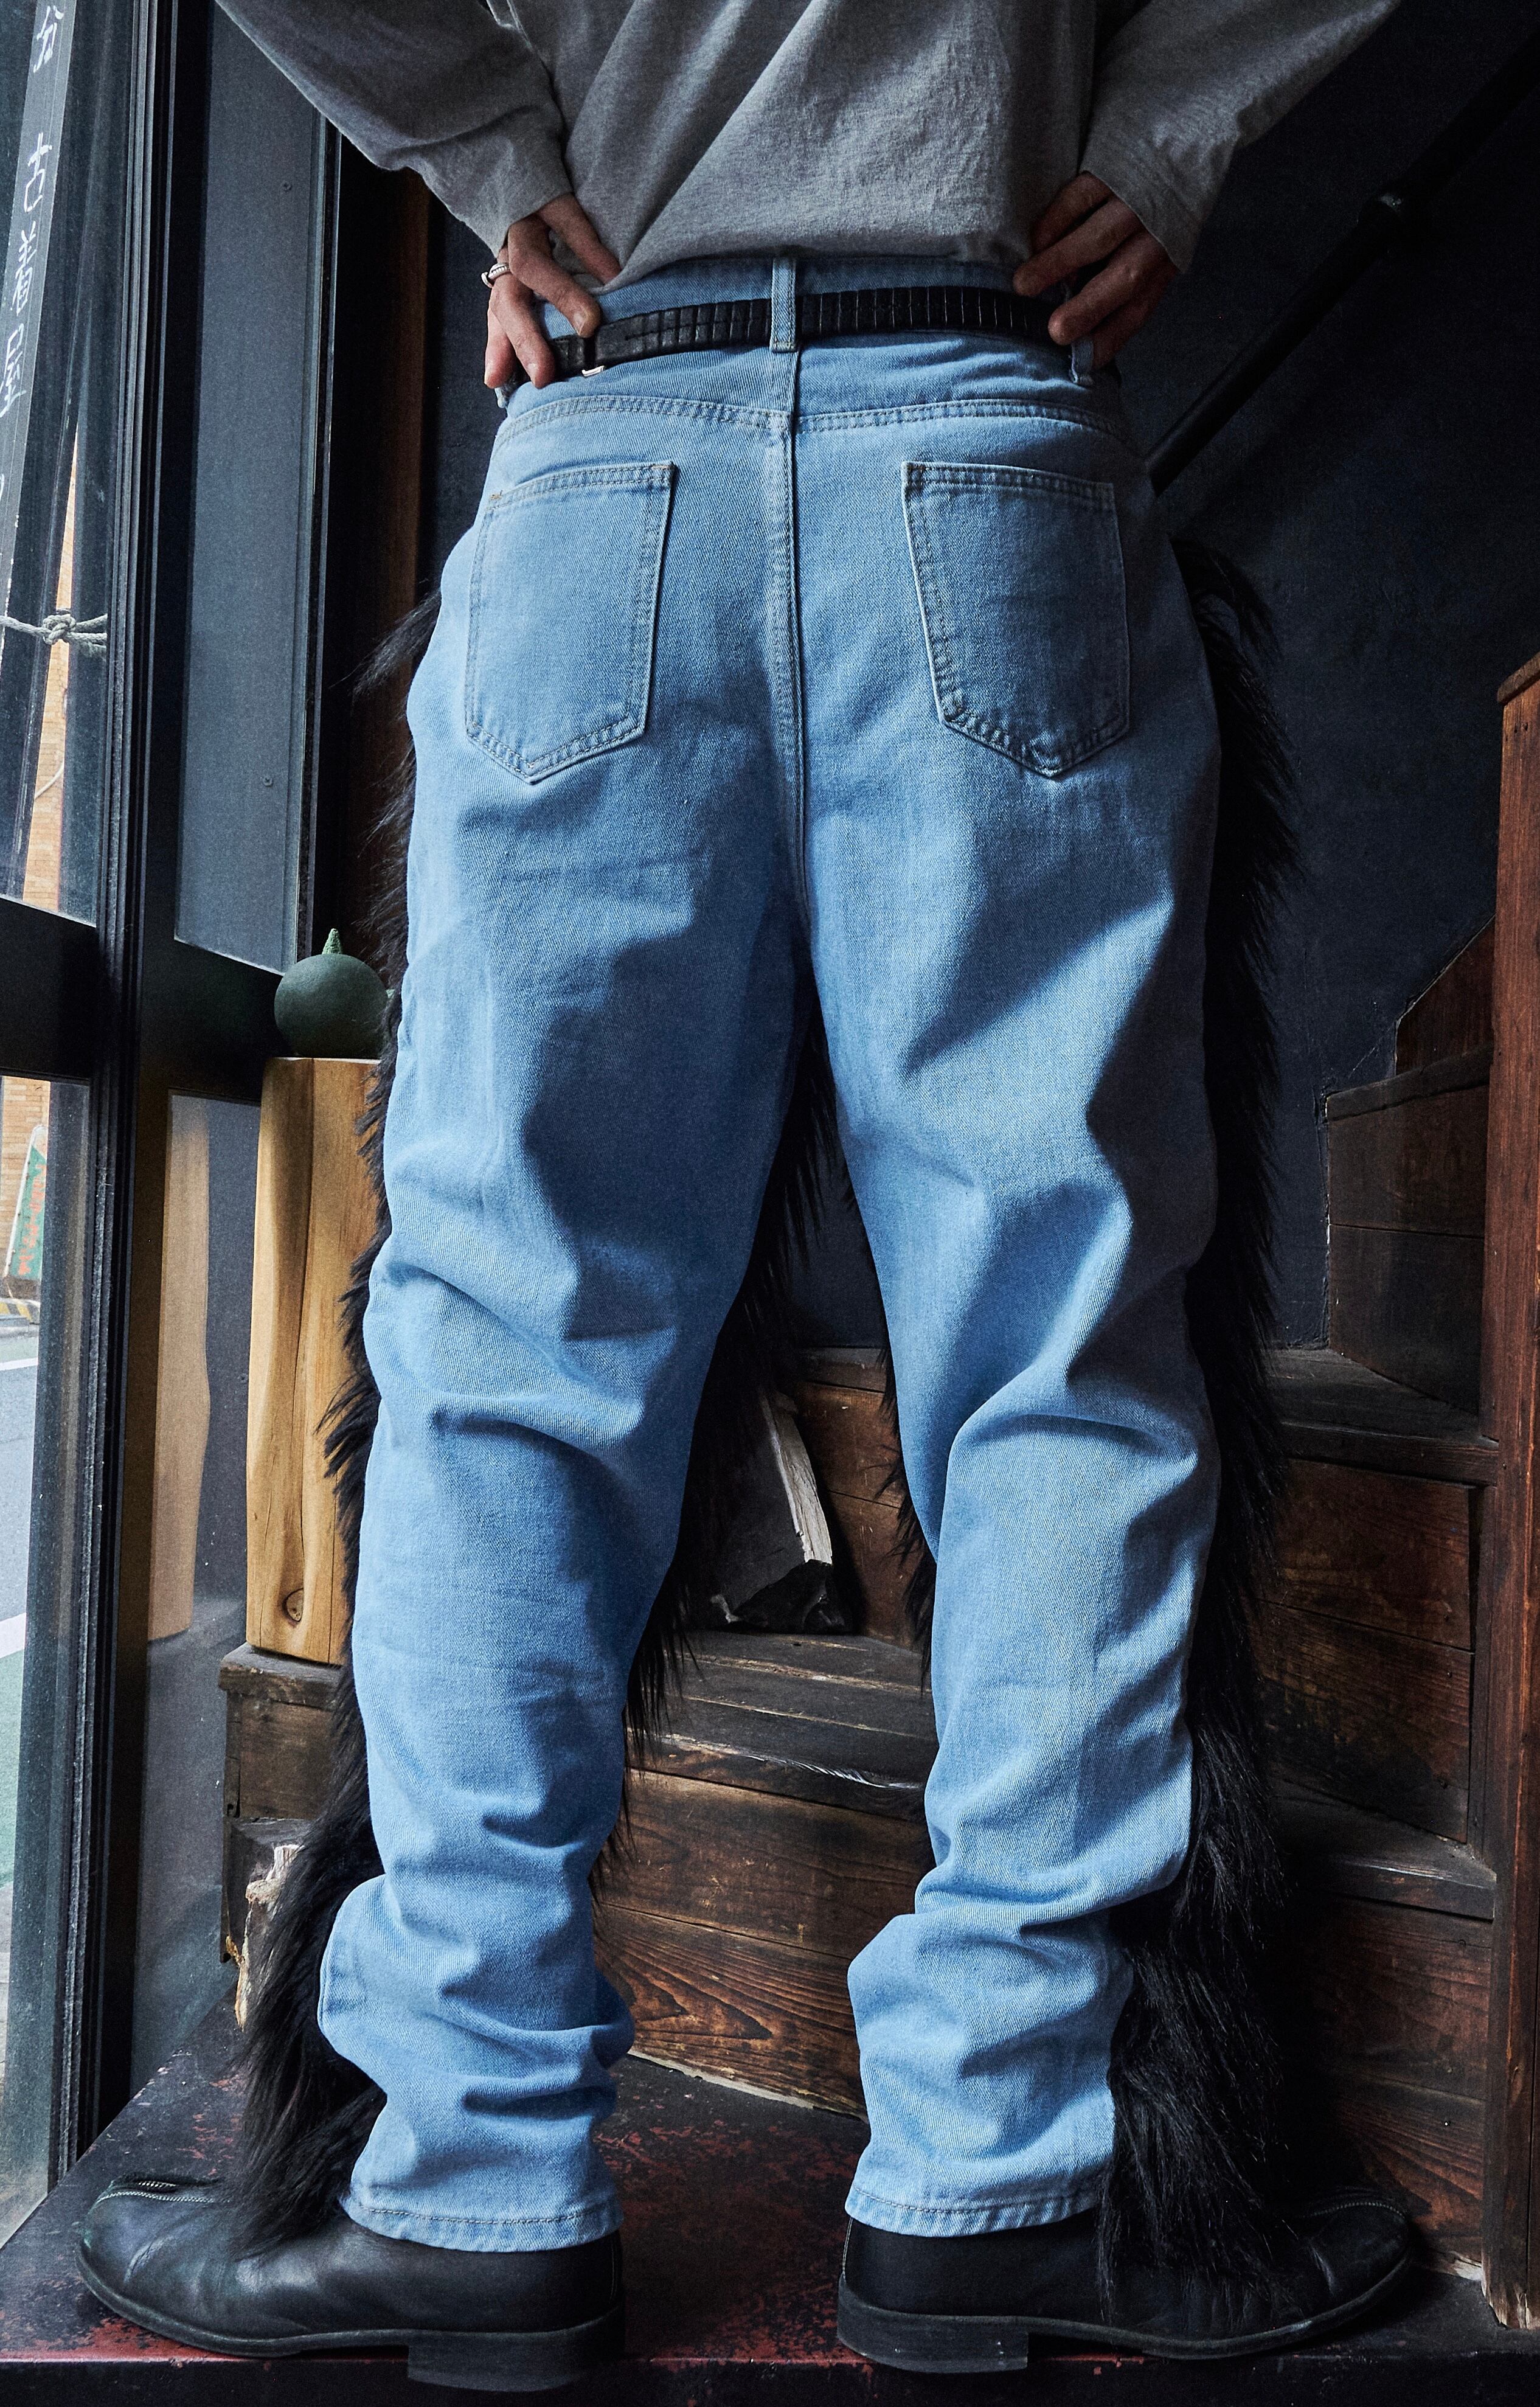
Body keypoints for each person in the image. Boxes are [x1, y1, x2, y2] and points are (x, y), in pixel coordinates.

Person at [78, 2, 1415, 2388]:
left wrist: (485, 143)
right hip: (983, 431)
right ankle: (1008, 2169)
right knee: (1057, 1354)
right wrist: (1163, 132)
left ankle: (465, 2175)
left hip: (617, 436)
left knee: (507, 1365)